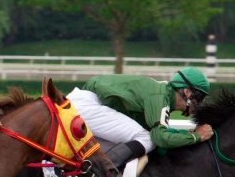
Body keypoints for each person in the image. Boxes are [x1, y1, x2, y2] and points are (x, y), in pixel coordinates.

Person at [66, 68, 213, 169]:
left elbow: (161, 132)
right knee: (146, 138)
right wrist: (196, 137)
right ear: (187, 92)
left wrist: (185, 135)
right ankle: (102, 171)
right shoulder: (160, 97)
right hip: (87, 106)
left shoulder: (162, 94)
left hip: (84, 104)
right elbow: (160, 138)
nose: (199, 104)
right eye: (199, 97)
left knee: (137, 139)